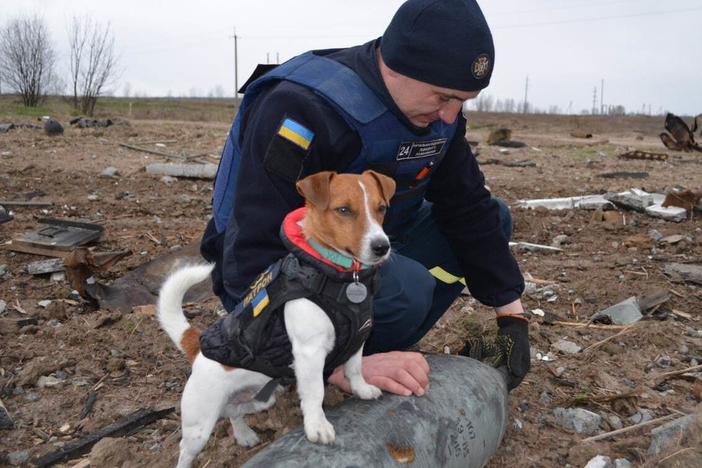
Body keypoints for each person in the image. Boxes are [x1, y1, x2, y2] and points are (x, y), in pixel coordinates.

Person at [200, 0, 530, 396]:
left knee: (495, 218)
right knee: (406, 290)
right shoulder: (303, 109)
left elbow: (468, 205)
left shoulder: (439, 117)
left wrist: (513, 319)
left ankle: (377, 344)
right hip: (282, 271)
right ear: (398, 66)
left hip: (369, 245)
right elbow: (251, 254)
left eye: (463, 101)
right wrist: (335, 370)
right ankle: (332, 357)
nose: (450, 115)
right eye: (444, 97)